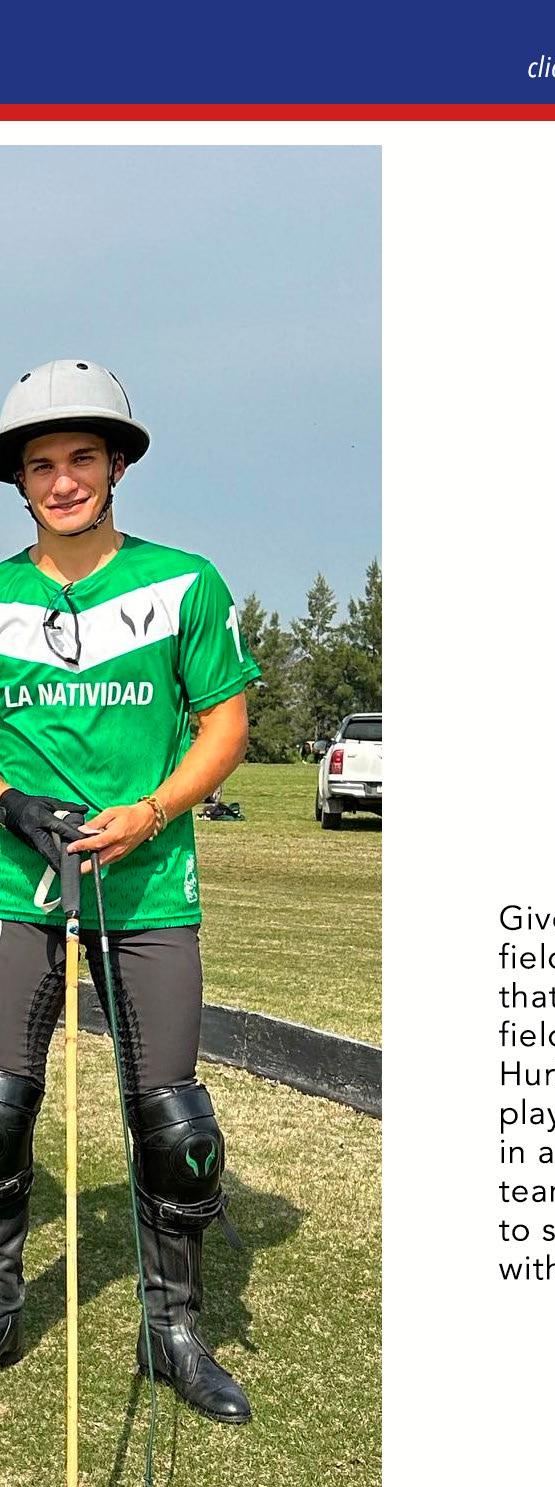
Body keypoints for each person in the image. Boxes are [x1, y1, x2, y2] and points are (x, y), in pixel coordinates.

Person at [0, 358, 261, 1424]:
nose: (62, 480)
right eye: (41, 464)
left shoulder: (184, 583)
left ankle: (173, 1330)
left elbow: (224, 725)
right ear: (20, 481)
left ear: (117, 465)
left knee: (175, 1126)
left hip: (148, 886)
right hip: (16, 883)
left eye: (82, 458)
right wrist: (10, 802)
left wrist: (150, 812)